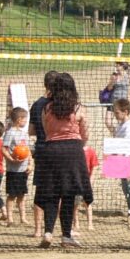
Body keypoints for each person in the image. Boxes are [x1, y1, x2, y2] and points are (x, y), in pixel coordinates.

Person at [37, 73, 92, 248]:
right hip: (72, 151)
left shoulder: (47, 108)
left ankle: (47, 232)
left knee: (51, 193)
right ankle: (66, 236)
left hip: (51, 151)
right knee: (69, 193)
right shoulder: (78, 109)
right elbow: (85, 135)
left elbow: (46, 132)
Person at [28, 70, 59, 238]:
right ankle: (55, 229)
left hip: (41, 150)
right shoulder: (61, 104)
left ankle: (38, 229)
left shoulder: (37, 104)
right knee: (59, 190)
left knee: (40, 190)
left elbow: (31, 131)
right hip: (58, 150)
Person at [108, 97, 130, 219]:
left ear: (125, 112)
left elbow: (128, 145)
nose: (115, 115)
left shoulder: (129, 126)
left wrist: (127, 163)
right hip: (121, 160)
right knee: (125, 188)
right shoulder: (120, 126)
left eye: (117, 113)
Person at [2, 107, 32, 227]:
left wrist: (31, 164)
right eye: (25, 119)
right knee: (12, 195)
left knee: (22, 195)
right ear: (19, 119)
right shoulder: (9, 133)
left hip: (23, 170)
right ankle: (10, 219)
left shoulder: (24, 134)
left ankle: (23, 217)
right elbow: (3, 149)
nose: (26, 121)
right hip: (13, 170)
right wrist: (11, 159)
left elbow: (28, 150)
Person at [103, 61, 130, 131]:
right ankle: (115, 134)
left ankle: (120, 137)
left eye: (118, 66)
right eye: (116, 66)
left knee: (121, 122)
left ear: (122, 66)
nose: (116, 67)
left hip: (122, 104)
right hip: (112, 102)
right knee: (108, 122)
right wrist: (112, 82)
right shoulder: (114, 76)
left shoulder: (128, 76)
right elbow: (109, 88)